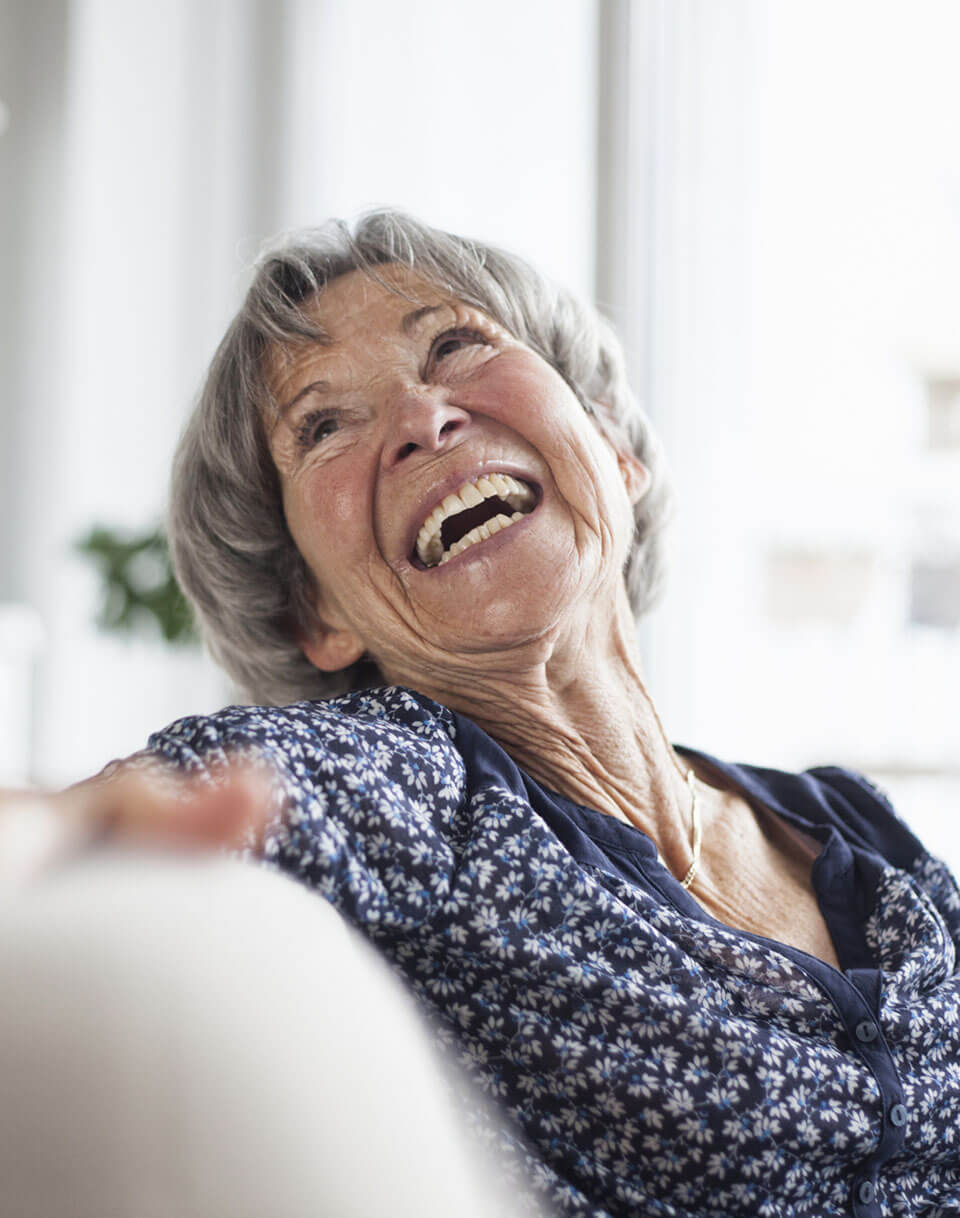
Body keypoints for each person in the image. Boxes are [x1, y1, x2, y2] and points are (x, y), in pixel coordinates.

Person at [4, 210, 960, 1217]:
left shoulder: (844, 821)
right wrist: (52, 837)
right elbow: (128, 812)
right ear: (312, 614)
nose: (423, 418)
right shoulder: (416, 787)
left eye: (457, 344)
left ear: (614, 449)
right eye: (323, 425)